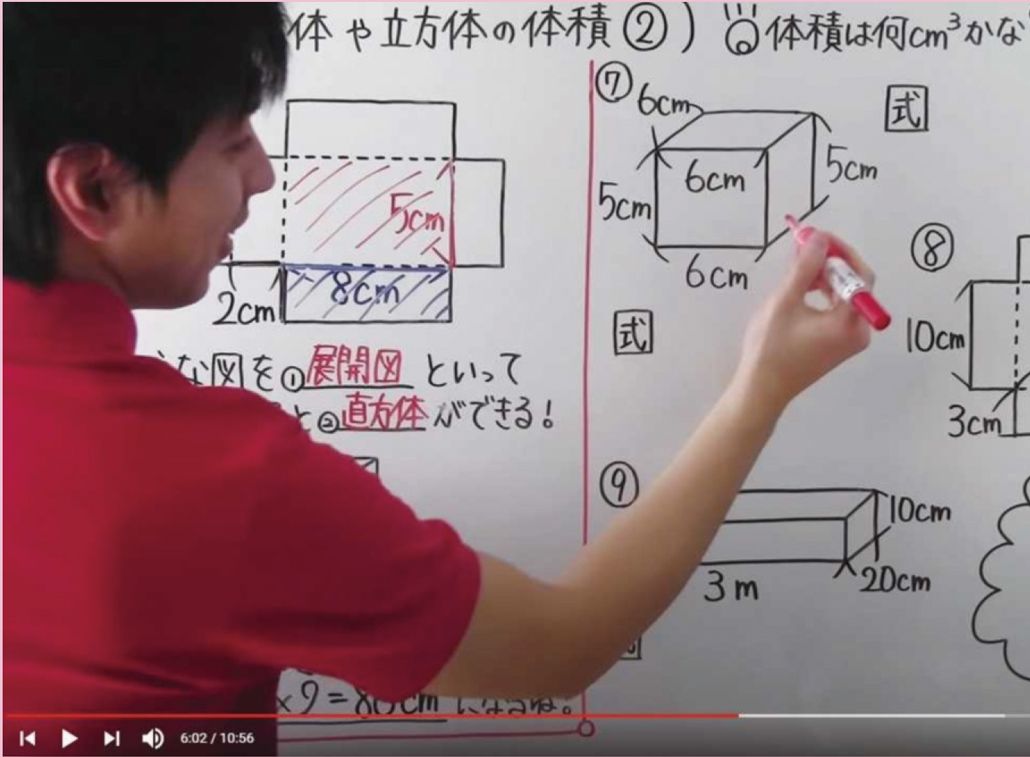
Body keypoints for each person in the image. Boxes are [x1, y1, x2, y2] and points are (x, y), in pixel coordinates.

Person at [3, 2, 874, 737]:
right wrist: (761, 388)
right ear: (95, 189)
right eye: (232, 143)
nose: (263, 175)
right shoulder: (201, 479)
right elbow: (557, 645)